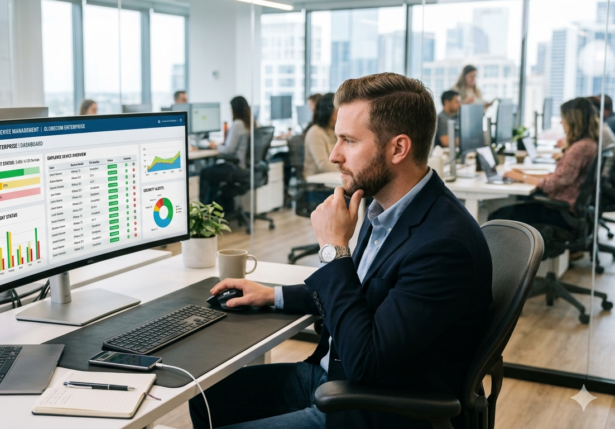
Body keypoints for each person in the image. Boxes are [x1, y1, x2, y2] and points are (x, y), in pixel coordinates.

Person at [190, 73, 493, 429]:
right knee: (205, 399)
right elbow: (361, 291)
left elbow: (365, 360)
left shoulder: (444, 245)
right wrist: (273, 295)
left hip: (371, 408)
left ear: (398, 148)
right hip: (331, 380)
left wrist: (334, 248)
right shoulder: (383, 207)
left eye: (348, 141)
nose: (334, 155)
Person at [491, 97, 599, 230]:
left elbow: (552, 183)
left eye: (563, 118)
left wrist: (520, 177)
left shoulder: (579, 149)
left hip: (560, 210)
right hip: (566, 207)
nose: (561, 122)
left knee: (496, 217)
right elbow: (559, 176)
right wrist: (525, 174)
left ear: (573, 120)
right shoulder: (588, 144)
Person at [200, 96, 255, 209]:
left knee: (205, 172)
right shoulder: (250, 122)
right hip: (245, 167)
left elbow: (228, 150)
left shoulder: (237, 124)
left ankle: (205, 210)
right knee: (213, 172)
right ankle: (218, 208)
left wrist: (215, 146)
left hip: (236, 167)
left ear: (234, 109)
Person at [303, 93, 339, 177]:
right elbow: (323, 165)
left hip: (332, 178)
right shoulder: (315, 132)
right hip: (317, 184)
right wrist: (349, 169)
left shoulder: (333, 131)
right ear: (329, 111)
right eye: (338, 109)